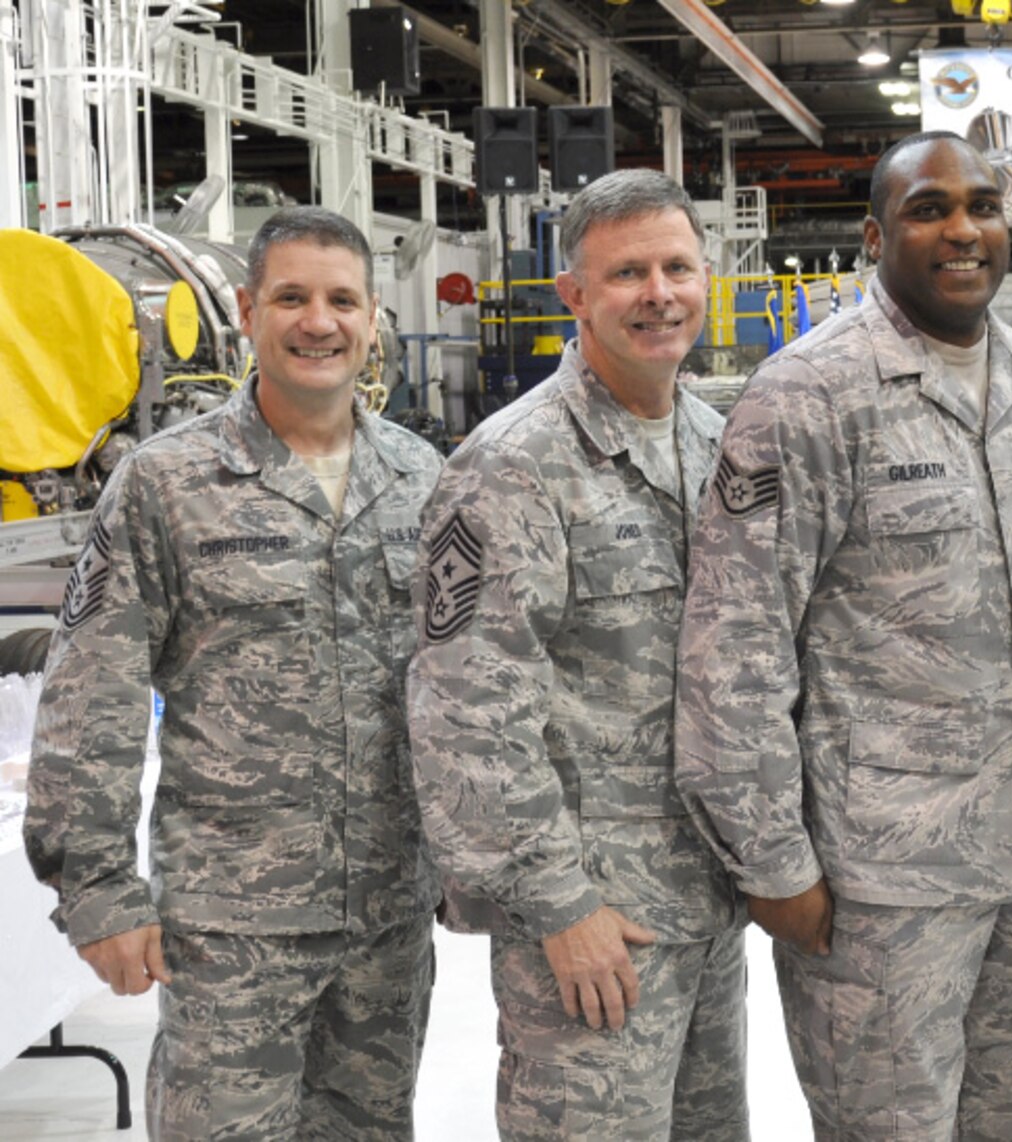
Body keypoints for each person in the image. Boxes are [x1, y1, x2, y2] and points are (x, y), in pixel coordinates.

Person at [674, 130, 1012, 1141]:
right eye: (928, 209)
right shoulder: (806, 397)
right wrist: (772, 864)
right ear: (876, 235)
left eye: (982, 205)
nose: (962, 229)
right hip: (881, 893)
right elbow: (729, 653)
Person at [25, 206, 441, 1139]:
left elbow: (456, 691)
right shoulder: (167, 483)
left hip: (388, 916)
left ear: (374, 319)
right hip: (232, 924)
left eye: (342, 300)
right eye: (291, 297)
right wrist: (95, 887)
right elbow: (93, 692)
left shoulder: (423, 479)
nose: (318, 322)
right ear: (249, 311)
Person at [405, 169, 747, 1140]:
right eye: (627, 272)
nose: (658, 293)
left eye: (677, 266)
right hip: (594, 918)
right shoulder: (509, 466)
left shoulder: (716, 444)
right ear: (574, 294)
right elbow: (466, 711)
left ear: (705, 278)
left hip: (709, 906)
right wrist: (559, 904)